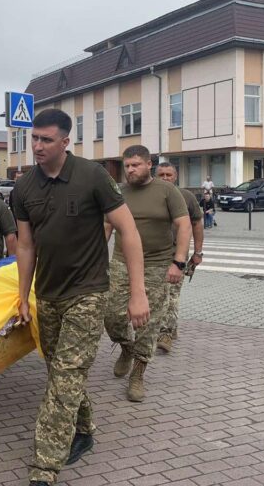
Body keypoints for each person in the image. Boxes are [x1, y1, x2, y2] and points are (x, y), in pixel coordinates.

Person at [13, 109, 148, 486]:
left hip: (88, 293)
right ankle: (84, 429)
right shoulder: (24, 188)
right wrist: (23, 297)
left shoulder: (93, 176)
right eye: (33, 139)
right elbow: (25, 246)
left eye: (45, 140)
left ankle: (44, 467)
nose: (37, 147)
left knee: (66, 375)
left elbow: (128, 231)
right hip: (48, 295)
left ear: (65, 142)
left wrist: (137, 294)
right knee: (61, 372)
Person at [104, 146, 191, 403]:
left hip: (157, 264)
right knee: (112, 314)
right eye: (127, 165)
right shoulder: (119, 193)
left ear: (148, 164)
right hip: (121, 262)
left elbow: (184, 225)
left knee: (148, 323)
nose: (130, 170)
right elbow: (108, 224)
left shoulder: (167, 191)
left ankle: (138, 374)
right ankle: (126, 348)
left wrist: (179, 262)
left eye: (135, 165)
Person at [155, 162, 204, 352]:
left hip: (177, 256)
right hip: (151, 255)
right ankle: (168, 328)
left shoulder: (186, 197)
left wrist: (198, 253)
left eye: (169, 175)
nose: (165, 178)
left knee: (171, 295)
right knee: (155, 296)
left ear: (175, 177)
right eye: (161, 175)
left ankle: (165, 333)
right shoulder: (149, 195)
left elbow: (197, 225)